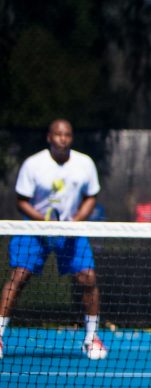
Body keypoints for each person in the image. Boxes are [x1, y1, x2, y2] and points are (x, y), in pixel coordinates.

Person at [0, 119, 107, 360]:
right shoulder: (33, 164)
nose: (63, 139)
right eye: (58, 134)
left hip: (70, 230)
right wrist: (44, 222)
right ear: (49, 137)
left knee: (88, 277)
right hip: (34, 229)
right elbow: (21, 200)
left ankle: (92, 338)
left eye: (67, 135)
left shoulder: (84, 164)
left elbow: (91, 196)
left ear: (71, 138)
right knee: (18, 277)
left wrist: (75, 222)